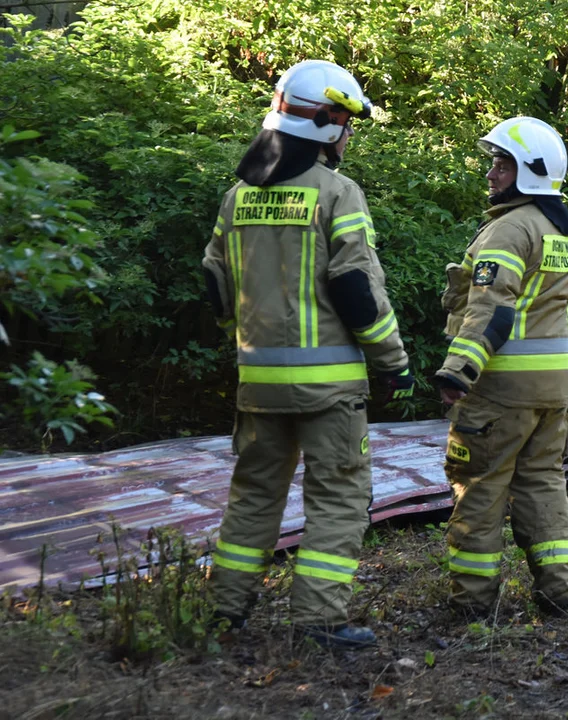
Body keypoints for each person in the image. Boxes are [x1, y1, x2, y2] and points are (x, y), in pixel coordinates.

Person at [202, 59, 414, 648]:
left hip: (257, 383)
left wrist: (251, 342)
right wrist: (393, 363)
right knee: (339, 494)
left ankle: (225, 610)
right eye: (348, 122)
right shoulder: (336, 192)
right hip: (330, 388)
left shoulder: (236, 197)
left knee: (253, 495)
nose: (349, 135)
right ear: (326, 120)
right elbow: (357, 289)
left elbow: (215, 285)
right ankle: (320, 618)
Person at [435, 116, 568, 618]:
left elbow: (492, 308)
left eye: (502, 163)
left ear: (528, 172)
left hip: (502, 388)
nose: (491, 173)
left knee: (480, 485)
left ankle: (473, 601)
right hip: (553, 390)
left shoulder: (510, 228)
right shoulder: (559, 229)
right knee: (543, 482)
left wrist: (460, 369)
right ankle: (561, 590)